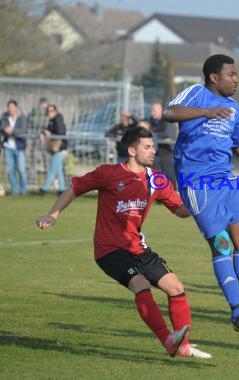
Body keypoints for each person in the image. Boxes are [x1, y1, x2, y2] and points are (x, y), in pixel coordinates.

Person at [35, 126, 211, 359]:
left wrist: (198, 202)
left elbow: (179, 210)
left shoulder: (157, 179)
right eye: (147, 147)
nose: (153, 151)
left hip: (137, 246)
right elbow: (74, 189)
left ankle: (184, 346)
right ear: (131, 150)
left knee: (176, 287)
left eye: (153, 146)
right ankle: (168, 341)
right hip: (109, 249)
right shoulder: (108, 173)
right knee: (140, 284)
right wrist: (52, 215)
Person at [163, 54, 239, 335]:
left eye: (236, 74)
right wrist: (205, 112)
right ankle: (237, 313)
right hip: (197, 182)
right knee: (221, 244)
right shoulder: (196, 94)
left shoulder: (233, 108)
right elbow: (169, 113)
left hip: (227, 181)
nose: (236, 79)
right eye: (231, 74)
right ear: (213, 77)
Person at [39, 104, 67, 195]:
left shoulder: (58, 119)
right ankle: (61, 190)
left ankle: (44, 189)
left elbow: (60, 132)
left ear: (56, 111)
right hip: (58, 149)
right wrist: (43, 132)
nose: (49, 113)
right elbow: (48, 129)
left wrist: (50, 134)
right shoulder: (52, 120)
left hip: (61, 149)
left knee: (52, 170)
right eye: (48, 111)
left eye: (51, 111)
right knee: (58, 171)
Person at [1, 99, 28, 195]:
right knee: (10, 170)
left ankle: (24, 191)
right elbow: (2, 127)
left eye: (12, 107)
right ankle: (15, 191)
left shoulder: (22, 117)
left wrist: (12, 131)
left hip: (19, 147)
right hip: (8, 147)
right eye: (9, 107)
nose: (10, 109)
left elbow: (24, 130)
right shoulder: (4, 117)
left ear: (16, 107)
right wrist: (5, 129)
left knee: (21, 169)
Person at [149, 102, 178, 190]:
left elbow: (168, 134)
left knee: (169, 174)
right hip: (156, 152)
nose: (152, 113)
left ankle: (172, 193)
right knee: (155, 174)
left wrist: (154, 135)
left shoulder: (167, 120)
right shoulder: (152, 121)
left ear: (161, 111)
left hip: (167, 152)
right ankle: (157, 194)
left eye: (154, 111)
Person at [28, 97, 50, 184]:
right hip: (42, 138)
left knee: (33, 159)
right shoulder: (44, 112)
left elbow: (30, 121)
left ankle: (32, 181)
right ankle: (49, 180)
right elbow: (47, 123)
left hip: (35, 138)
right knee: (46, 160)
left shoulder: (33, 112)